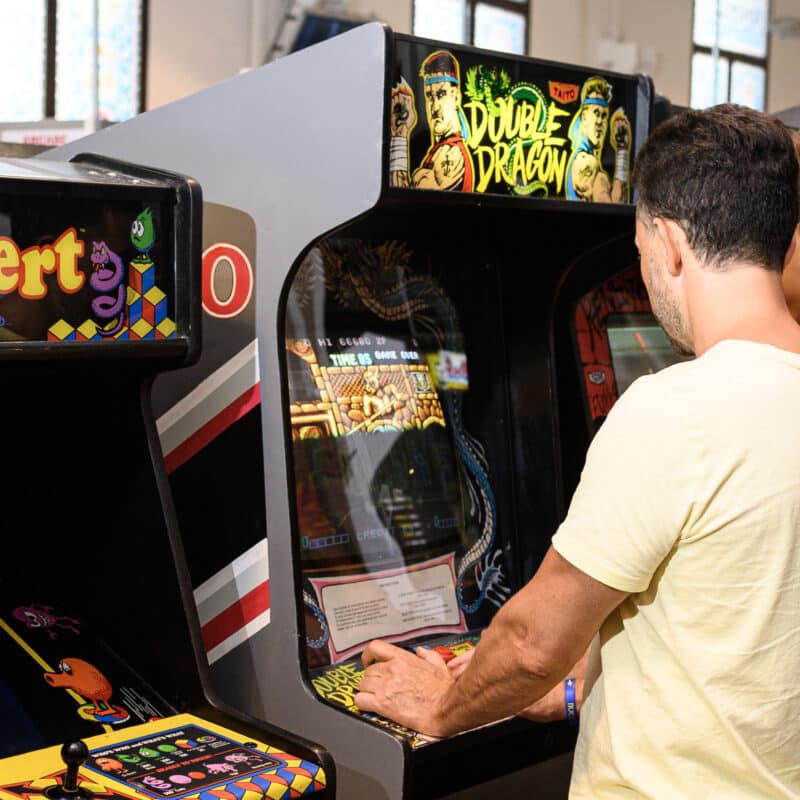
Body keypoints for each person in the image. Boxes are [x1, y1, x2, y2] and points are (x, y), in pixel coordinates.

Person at [355, 104, 800, 798]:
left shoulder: (674, 410)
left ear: (669, 244)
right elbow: (738, 627)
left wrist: (442, 704)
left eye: (640, 250)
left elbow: (531, 647)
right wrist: (579, 685)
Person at [389, 50, 474, 191]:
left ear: (456, 97)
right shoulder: (439, 150)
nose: (434, 107)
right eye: (429, 96)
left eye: (441, 94)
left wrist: (400, 136)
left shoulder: (452, 154)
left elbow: (405, 200)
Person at [566, 76, 631, 203]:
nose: (600, 122)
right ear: (584, 117)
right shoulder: (587, 164)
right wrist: (622, 152)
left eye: (604, 115)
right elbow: (614, 211)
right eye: (596, 113)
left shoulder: (582, 159)